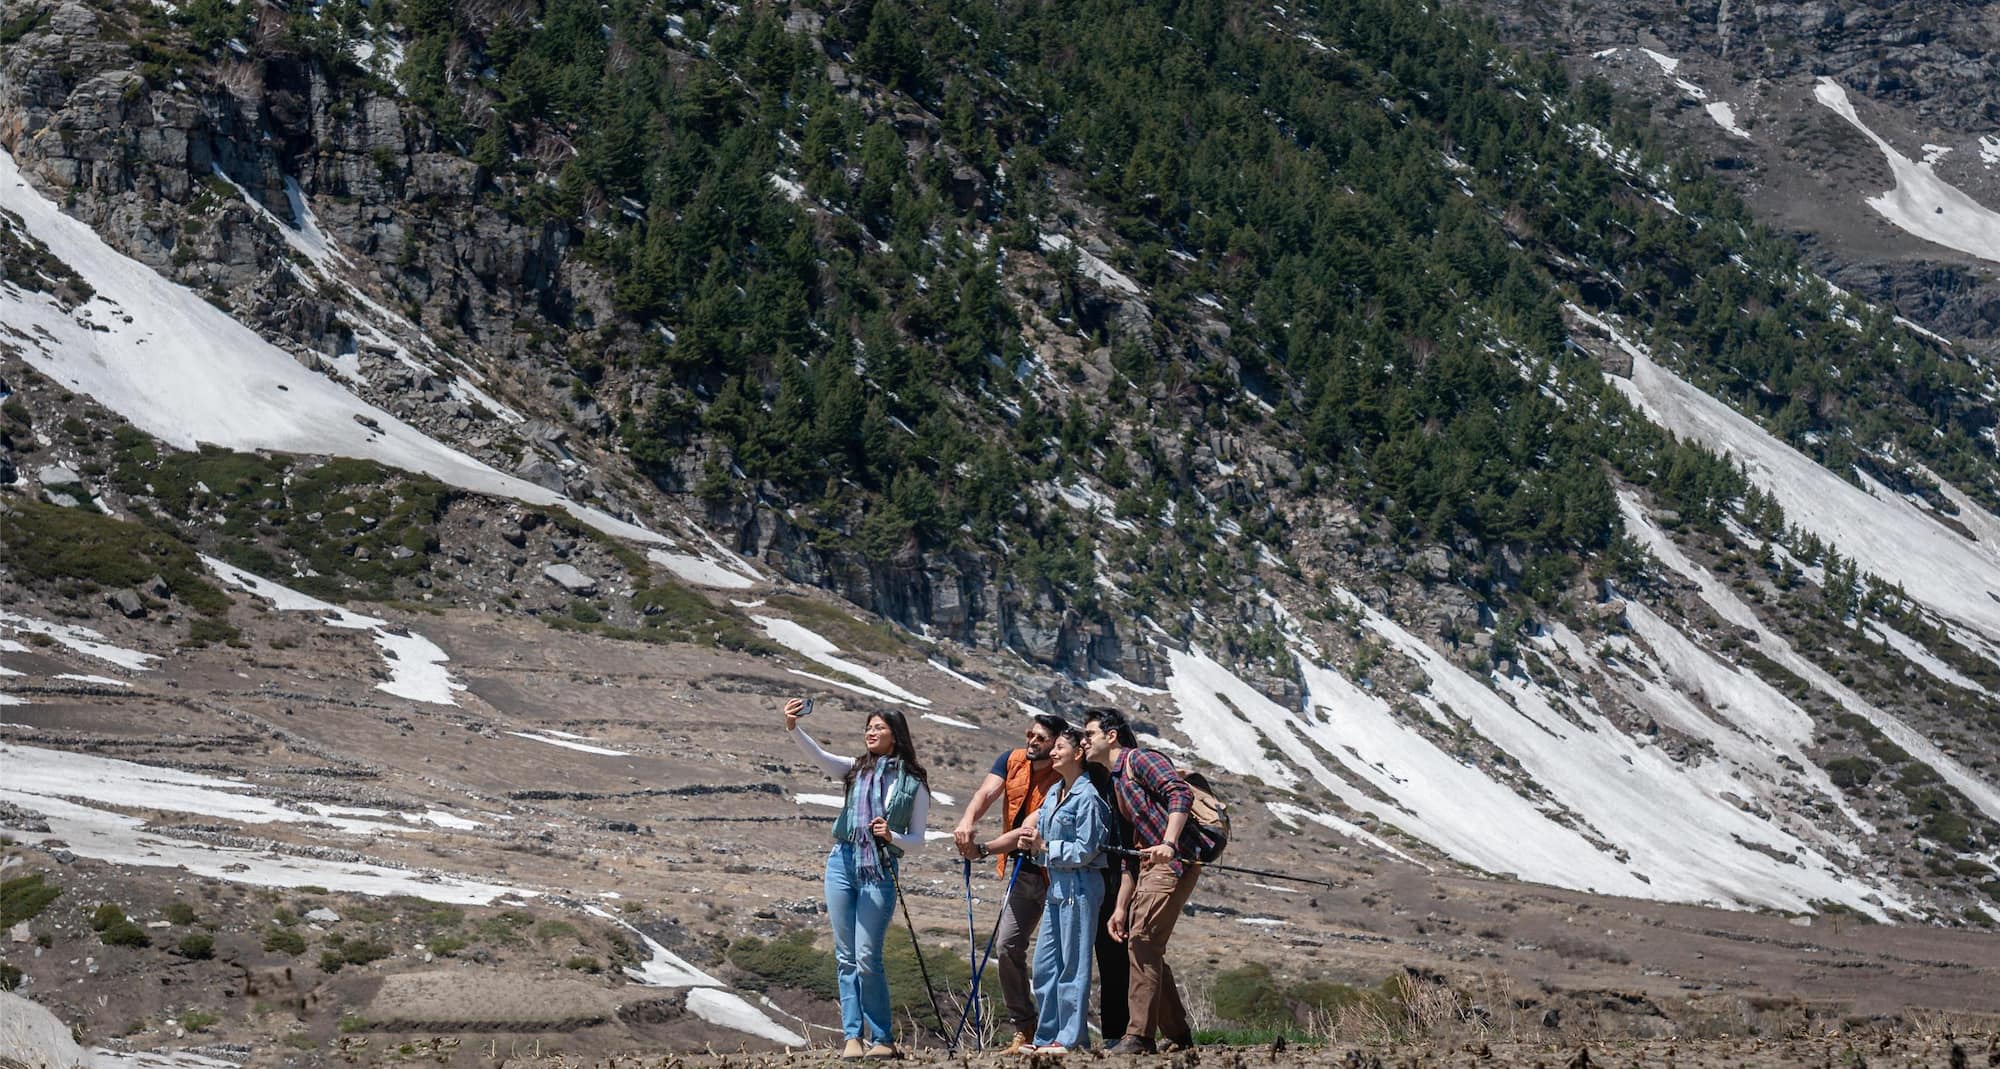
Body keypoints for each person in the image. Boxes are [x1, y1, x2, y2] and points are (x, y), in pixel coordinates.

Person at [786, 698, 931, 1060]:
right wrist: (793, 727)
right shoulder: (855, 771)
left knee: (867, 957)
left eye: (878, 727)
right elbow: (820, 756)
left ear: (895, 736)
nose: (870, 731)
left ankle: (882, 1038)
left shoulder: (913, 783)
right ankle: (853, 1036)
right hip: (842, 861)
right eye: (868, 726)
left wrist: (891, 837)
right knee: (845, 956)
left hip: (880, 869)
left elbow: (917, 841)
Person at [1082, 708, 1206, 1054]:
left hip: (1174, 861)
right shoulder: (1117, 780)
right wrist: (1121, 906)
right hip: (1151, 867)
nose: (1084, 741)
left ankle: (1139, 1036)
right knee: (1146, 945)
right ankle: (1178, 1035)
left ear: (1111, 736)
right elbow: (1130, 851)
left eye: (1089, 733)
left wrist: (1168, 842)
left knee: (1142, 942)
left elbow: (1180, 794)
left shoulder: (1141, 760)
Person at [950, 712, 1069, 1052]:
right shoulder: (1011, 759)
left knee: (1053, 956)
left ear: (1057, 743)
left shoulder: (1064, 776)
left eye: (1041, 738)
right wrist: (967, 821)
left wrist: (983, 849)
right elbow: (987, 792)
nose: (1032, 741)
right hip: (1022, 875)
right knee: (1007, 947)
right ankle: (1025, 1027)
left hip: (1052, 875)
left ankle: (1055, 1031)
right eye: (1030, 734)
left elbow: (1030, 828)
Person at [1014, 727, 1111, 1055]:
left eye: (1059, 748)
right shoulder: (1055, 791)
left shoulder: (1089, 798)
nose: (1052, 753)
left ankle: (1070, 1038)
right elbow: (1042, 837)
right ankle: (1048, 1035)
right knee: (1044, 965)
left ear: (1078, 753)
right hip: (1057, 886)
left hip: (1081, 886)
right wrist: (1033, 843)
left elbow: (1086, 848)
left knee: (1073, 964)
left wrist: (1046, 847)